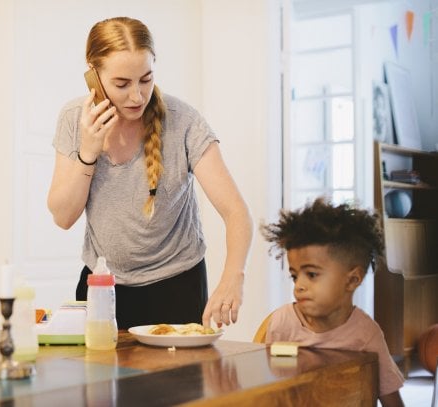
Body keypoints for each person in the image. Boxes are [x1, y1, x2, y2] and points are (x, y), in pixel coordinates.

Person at [47, 17, 252, 329]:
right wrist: (88, 152)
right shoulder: (75, 120)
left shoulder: (184, 121)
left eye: (146, 79)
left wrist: (233, 277)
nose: (137, 96)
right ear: (93, 73)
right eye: (121, 84)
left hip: (177, 286)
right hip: (102, 288)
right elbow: (63, 217)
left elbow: (236, 211)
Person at [260, 198, 404, 407]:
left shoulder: (366, 334)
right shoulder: (282, 323)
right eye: (294, 276)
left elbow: (391, 399)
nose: (299, 285)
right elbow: (270, 388)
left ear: (353, 279)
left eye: (311, 274)